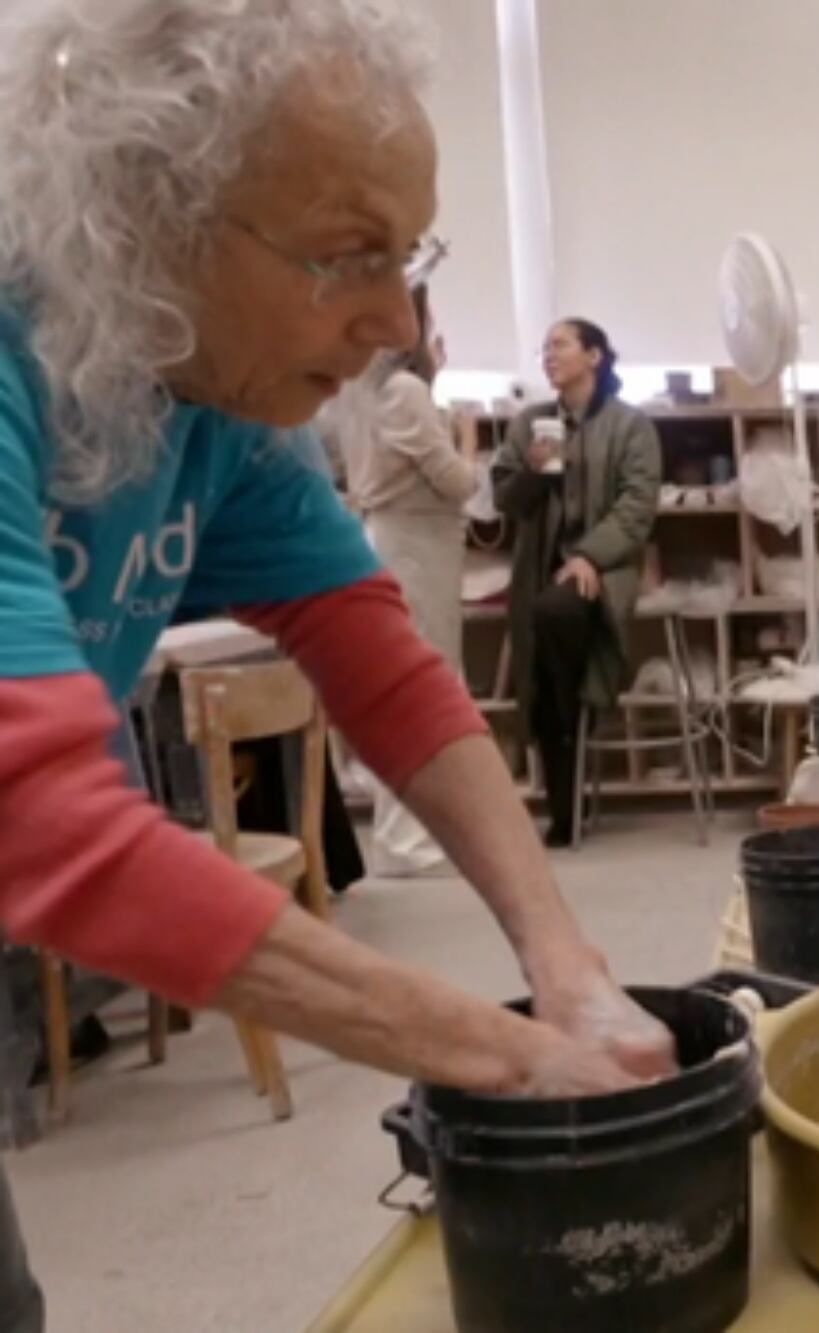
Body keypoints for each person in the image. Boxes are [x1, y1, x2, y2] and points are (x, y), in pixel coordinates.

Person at [0, 4, 674, 1327]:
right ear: (147, 215)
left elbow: (383, 663)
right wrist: (503, 1055)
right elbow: (31, 817)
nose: (392, 317)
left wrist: (567, 962)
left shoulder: (216, 393)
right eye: (348, 256)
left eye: (407, 253)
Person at [491, 319, 661, 848]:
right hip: (540, 571)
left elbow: (637, 509)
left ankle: (571, 745)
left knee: (555, 617)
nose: (548, 355)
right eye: (544, 348)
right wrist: (534, 473)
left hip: (605, 569)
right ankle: (569, 738)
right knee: (543, 637)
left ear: (594, 355)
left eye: (559, 345)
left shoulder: (632, 426)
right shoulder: (529, 425)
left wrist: (589, 555)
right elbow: (504, 503)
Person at [330, 283, 481, 876]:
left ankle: (415, 835)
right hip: (418, 546)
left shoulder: (365, 391)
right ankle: (405, 841)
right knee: (427, 689)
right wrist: (467, 439)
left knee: (414, 685)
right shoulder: (405, 390)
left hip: (395, 539)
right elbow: (455, 481)